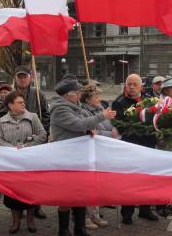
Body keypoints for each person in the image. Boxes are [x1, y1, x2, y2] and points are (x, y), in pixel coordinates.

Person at [50, 78, 116, 236]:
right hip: (66, 158)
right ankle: (64, 230)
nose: (80, 94)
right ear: (68, 95)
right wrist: (102, 116)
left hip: (79, 156)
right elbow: (77, 125)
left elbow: (82, 125)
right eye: (77, 92)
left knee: (80, 194)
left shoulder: (74, 106)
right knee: (66, 198)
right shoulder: (60, 109)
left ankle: (80, 229)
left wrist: (89, 130)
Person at [0, 91, 47, 234]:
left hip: (29, 162)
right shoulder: (1, 121)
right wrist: (13, 149)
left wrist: (28, 146)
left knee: (29, 192)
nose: (23, 104)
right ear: (10, 105)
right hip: (12, 163)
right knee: (13, 194)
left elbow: (42, 135)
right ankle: (15, 222)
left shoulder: (33, 117)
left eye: (23, 102)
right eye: (19, 102)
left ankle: (30, 221)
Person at [112, 74, 159, 224]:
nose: (131, 87)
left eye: (134, 84)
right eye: (129, 84)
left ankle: (145, 210)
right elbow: (118, 124)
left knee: (147, 179)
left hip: (148, 144)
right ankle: (127, 212)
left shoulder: (149, 99)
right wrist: (135, 128)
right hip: (130, 145)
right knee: (130, 180)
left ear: (141, 86)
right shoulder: (119, 102)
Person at [13, 66, 50, 219]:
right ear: (16, 79)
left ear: (30, 78)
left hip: (35, 141)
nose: (22, 79)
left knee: (36, 176)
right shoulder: (10, 94)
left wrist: (43, 132)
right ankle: (18, 208)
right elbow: (2, 114)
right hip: (17, 141)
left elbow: (46, 115)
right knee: (18, 176)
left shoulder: (38, 93)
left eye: (25, 76)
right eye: (19, 77)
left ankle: (36, 206)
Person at [80, 85, 114, 230]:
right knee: (88, 186)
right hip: (89, 151)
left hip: (102, 150)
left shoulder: (101, 110)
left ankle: (96, 215)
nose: (99, 99)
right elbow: (92, 132)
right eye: (96, 97)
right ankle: (86, 217)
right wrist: (110, 135)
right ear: (88, 99)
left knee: (97, 185)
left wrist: (114, 131)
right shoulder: (83, 112)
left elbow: (109, 127)